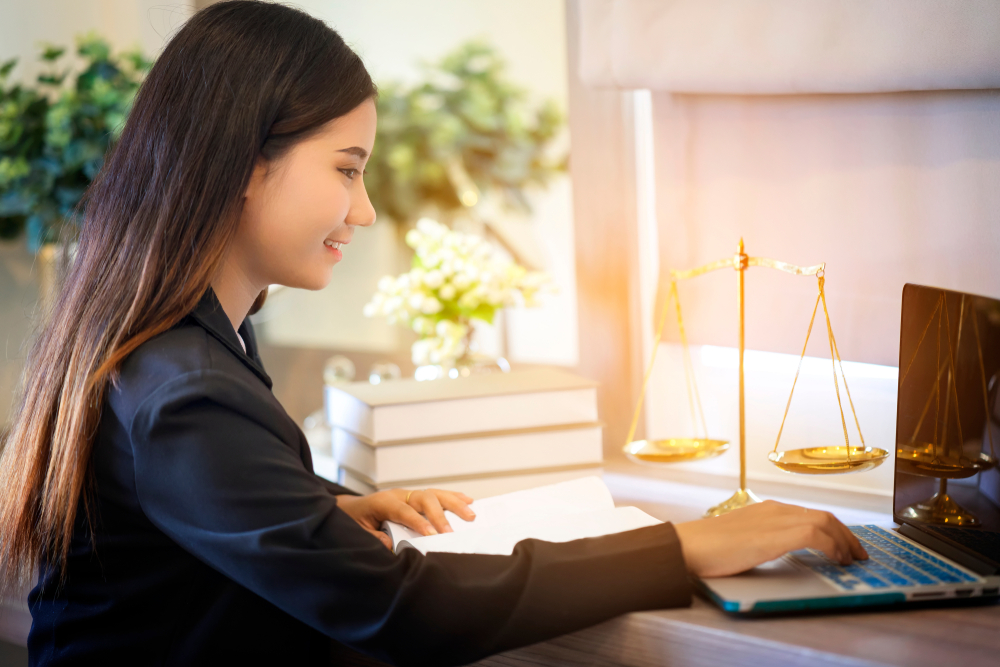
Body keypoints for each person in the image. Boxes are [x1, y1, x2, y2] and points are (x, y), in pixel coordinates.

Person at [0, 2, 867, 665]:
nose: (365, 211)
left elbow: (179, 523)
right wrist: (679, 546)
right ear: (240, 166)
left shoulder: (184, 342)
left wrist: (323, 508)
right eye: (347, 170)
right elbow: (400, 611)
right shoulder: (183, 388)